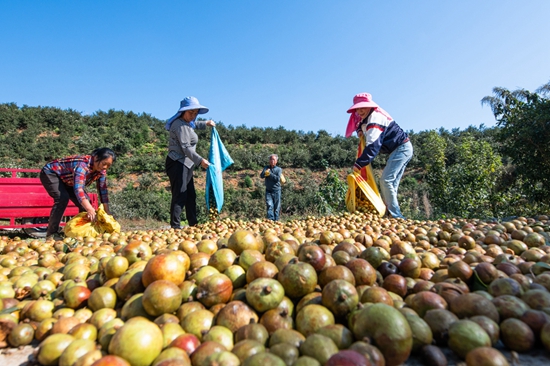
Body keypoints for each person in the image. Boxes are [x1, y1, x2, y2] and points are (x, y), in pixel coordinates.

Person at [346, 92, 413, 219]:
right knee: (391, 184)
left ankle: (397, 216)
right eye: (357, 109)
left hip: (402, 148)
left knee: (386, 180)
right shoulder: (366, 118)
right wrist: (360, 131)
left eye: (363, 107)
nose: (360, 111)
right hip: (399, 149)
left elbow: (373, 146)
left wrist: (359, 164)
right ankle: (391, 213)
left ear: (370, 106)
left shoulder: (375, 118)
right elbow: (359, 124)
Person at [40, 147, 116, 240]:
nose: (105, 167)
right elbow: (78, 188)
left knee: (86, 202)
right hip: (52, 173)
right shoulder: (82, 165)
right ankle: (51, 234)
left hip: (69, 180)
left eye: (108, 165)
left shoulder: (101, 171)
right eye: (104, 164)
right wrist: (89, 209)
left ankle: (82, 231)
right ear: (96, 158)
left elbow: (102, 190)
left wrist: (107, 211)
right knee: (62, 198)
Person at [165, 96, 215, 229]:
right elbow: (186, 147)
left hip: (186, 164)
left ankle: (193, 224)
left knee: (190, 195)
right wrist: (200, 161)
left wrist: (206, 123)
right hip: (177, 162)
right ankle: (175, 226)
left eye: (195, 113)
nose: (193, 116)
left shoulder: (187, 123)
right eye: (190, 113)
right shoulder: (179, 125)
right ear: (183, 112)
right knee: (180, 194)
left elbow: (194, 124)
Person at [260, 154, 283, 221]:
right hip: (268, 190)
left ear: (276, 161)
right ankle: (270, 220)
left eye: (273, 159)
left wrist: (270, 174)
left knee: (276, 207)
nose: (272, 161)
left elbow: (277, 179)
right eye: (270, 159)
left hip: (276, 190)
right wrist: (265, 172)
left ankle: (276, 220)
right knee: (269, 205)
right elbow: (261, 176)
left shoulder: (279, 169)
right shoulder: (266, 167)